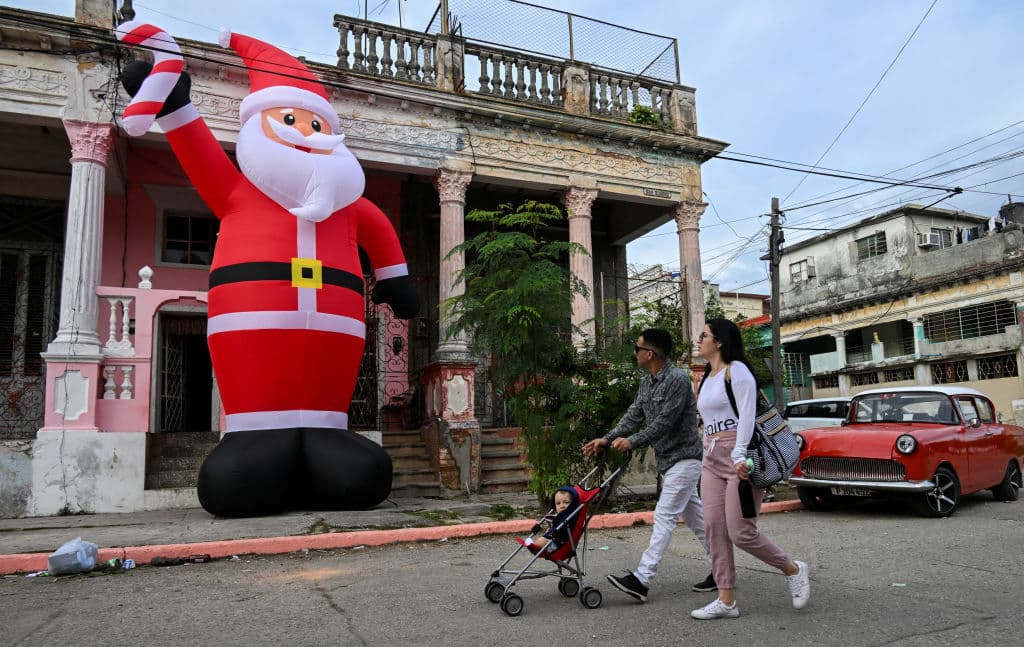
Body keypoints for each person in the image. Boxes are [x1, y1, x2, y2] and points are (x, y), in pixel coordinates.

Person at [118, 22, 419, 517]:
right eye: (290, 119)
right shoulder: (238, 192)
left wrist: (395, 277)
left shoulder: (347, 204)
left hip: (337, 335)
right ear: (259, 124)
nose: (305, 133)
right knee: (238, 480)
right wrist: (174, 106)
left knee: (357, 474)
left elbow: (379, 229)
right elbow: (197, 152)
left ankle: (327, 435)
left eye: (317, 125)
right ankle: (255, 436)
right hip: (251, 326)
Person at [582, 328, 713, 603]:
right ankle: (723, 567)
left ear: (650, 354)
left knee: (664, 516)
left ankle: (642, 579)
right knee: (697, 520)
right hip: (669, 462)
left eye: (637, 348)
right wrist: (607, 439)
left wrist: (632, 441)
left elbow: (664, 422)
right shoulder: (646, 382)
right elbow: (634, 415)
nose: (635, 353)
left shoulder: (678, 379)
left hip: (685, 458)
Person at [691, 319, 810, 620]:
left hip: (740, 456)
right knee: (714, 528)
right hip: (711, 457)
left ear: (719, 342)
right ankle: (726, 600)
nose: (699, 339)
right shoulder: (707, 378)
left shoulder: (738, 371)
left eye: (704, 335)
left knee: (741, 532)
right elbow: (708, 420)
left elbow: (746, 416)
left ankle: (792, 569)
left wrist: (739, 455)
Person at [525, 487, 579, 551]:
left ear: (573, 504)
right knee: (541, 539)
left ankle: (533, 545)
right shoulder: (561, 516)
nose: (562, 506)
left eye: (566, 502)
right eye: (558, 503)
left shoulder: (570, 517)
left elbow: (562, 531)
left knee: (541, 541)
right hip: (553, 539)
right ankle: (534, 545)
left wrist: (551, 532)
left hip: (558, 544)